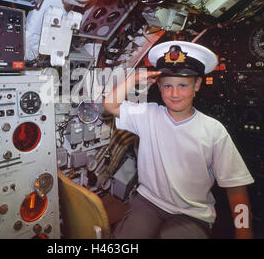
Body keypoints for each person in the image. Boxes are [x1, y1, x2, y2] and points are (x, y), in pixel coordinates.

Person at [102, 41, 255, 239]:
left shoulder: (213, 130)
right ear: (159, 86)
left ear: (197, 85)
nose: (174, 94)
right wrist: (134, 79)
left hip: (192, 213)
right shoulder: (148, 114)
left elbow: (236, 187)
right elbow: (110, 105)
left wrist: (243, 231)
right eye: (167, 86)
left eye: (183, 85)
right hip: (149, 202)